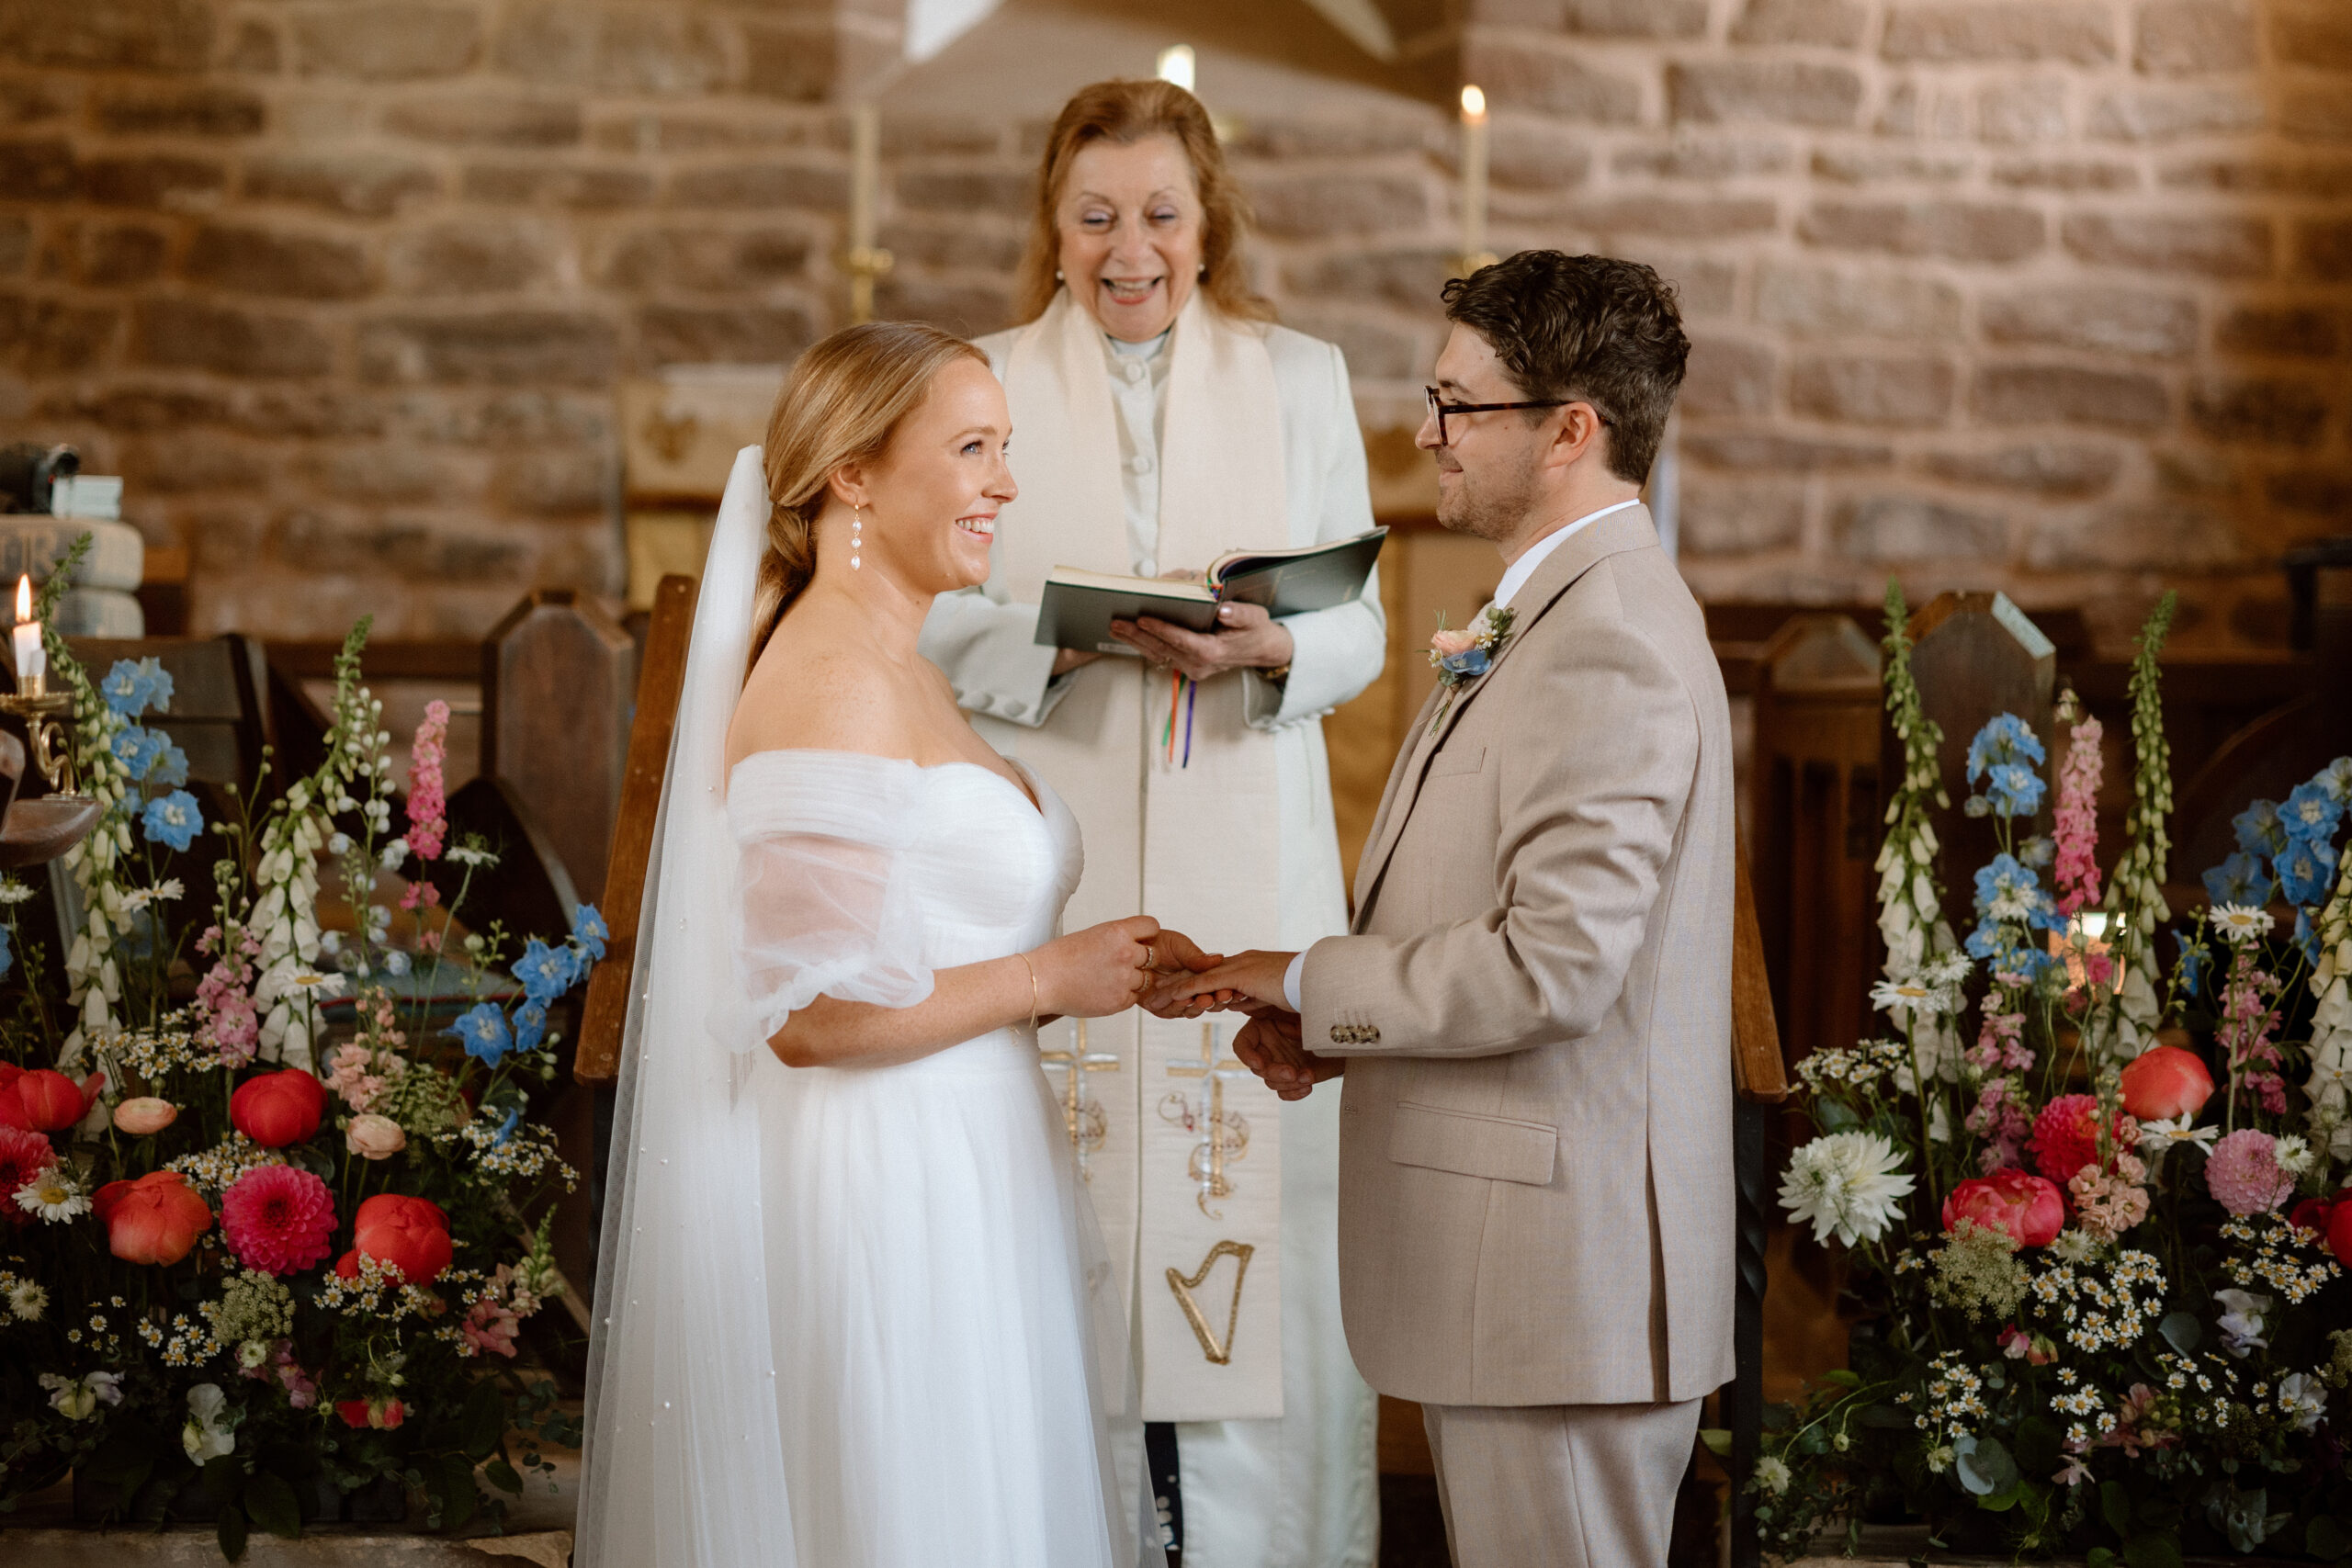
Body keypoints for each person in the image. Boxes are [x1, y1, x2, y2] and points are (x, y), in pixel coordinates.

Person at [580, 321, 1215, 1567]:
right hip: (885, 1180)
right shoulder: (832, 680)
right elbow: (807, 1017)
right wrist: (1045, 977)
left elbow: (914, 942)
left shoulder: (902, 667)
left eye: (1006, 449)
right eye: (972, 447)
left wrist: (1099, 971)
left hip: (969, 1158)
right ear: (853, 475)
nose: (1005, 484)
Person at [1152, 252, 1737, 1568]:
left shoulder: (1610, 639)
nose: (1425, 433)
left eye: (1459, 404)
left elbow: (1553, 972)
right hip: (1527, 1282)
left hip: (1559, 1289)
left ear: (1571, 430)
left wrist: (1309, 979)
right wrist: (1334, 1027)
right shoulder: (1556, 610)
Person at [917, 78, 1384, 1567]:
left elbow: (1362, 620)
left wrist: (1271, 649)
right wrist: (1056, 639)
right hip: (1048, 852)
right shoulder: (975, 378)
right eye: (1097, 215)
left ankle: (1267, 1544)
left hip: (1245, 830)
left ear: (1208, 223)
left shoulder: (1300, 375)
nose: (1133, 249)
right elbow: (925, 614)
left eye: (1161, 214)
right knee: (1058, 1204)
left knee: (1253, 1197)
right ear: (1052, 232)